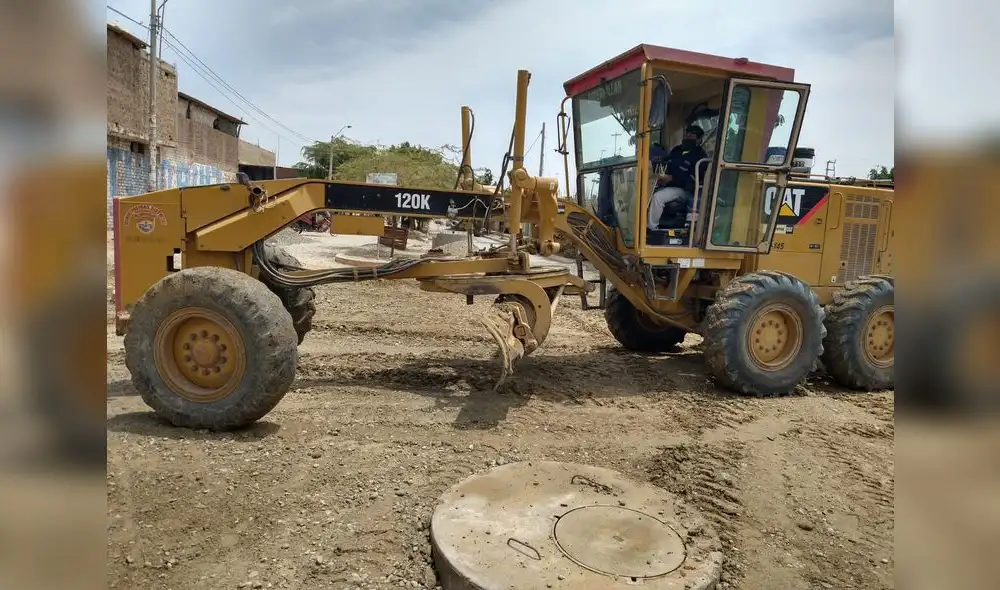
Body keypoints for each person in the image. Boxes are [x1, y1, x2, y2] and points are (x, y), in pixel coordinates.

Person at [647, 125, 708, 230]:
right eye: (686, 134)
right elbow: (667, 162)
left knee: (658, 197)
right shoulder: (677, 150)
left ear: (698, 139)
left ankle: (651, 229)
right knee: (644, 193)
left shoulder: (700, 157)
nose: (687, 137)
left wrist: (672, 178)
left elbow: (695, 179)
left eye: (691, 135)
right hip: (668, 186)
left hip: (685, 190)